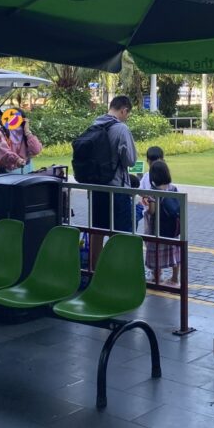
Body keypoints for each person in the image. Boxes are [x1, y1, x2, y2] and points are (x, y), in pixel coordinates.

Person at [90, 95, 137, 232]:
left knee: (96, 232)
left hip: (97, 187)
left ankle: (95, 255)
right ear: (124, 110)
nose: (126, 117)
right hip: (117, 188)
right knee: (120, 233)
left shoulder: (95, 124)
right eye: (127, 114)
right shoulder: (121, 129)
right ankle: (117, 255)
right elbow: (130, 160)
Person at [142, 158, 182, 285]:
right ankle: (175, 278)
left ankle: (157, 277)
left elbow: (152, 211)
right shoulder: (173, 188)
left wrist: (146, 209)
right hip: (172, 229)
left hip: (158, 229)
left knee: (156, 253)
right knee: (175, 252)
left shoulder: (153, 192)